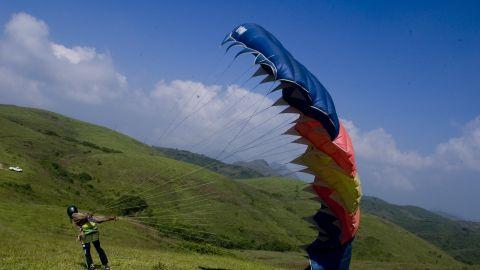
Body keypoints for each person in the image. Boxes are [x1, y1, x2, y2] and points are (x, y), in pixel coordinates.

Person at [67, 205, 117, 270]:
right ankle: (91, 266)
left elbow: (98, 219)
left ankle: (105, 265)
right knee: (87, 251)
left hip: (93, 232)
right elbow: (81, 218)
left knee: (97, 249)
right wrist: (87, 215)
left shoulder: (83, 216)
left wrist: (110, 218)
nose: (74, 215)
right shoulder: (76, 218)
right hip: (85, 234)